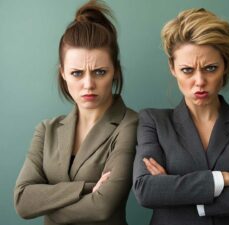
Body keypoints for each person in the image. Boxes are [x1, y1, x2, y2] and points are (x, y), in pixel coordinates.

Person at [133, 8, 229, 225]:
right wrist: (223, 178)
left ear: (225, 67)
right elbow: (145, 190)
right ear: (172, 68)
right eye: (187, 70)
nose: (199, 81)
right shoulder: (153, 121)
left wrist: (174, 191)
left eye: (210, 68)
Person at [14, 1, 138, 224]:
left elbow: (102, 207)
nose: (88, 84)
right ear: (63, 73)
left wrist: (47, 205)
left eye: (100, 72)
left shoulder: (130, 123)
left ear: (115, 71)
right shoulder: (47, 129)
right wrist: (87, 188)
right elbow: (23, 201)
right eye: (77, 73)